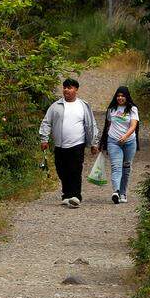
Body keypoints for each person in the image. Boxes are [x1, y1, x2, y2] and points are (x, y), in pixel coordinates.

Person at [39, 78, 98, 208]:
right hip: (60, 145)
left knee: (75, 169)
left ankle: (76, 196)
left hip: (77, 144)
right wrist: (44, 139)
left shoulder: (83, 106)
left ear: (76, 90)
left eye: (70, 87)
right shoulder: (55, 106)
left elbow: (91, 124)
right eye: (65, 87)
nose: (67, 90)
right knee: (61, 170)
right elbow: (46, 122)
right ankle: (66, 195)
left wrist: (94, 143)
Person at [99, 85, 139, 204]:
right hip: (114, 142)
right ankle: (116, 191)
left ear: (127, 97)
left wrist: (125, 136)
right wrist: (103, 143)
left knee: (126, 168)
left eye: (122, 96)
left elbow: (133, 126)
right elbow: (107, 126)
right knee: (116, 167)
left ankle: (123, 192)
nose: (120, 98)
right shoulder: (111, 109)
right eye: (118, 96)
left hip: (129, 143)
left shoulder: (132, 109)